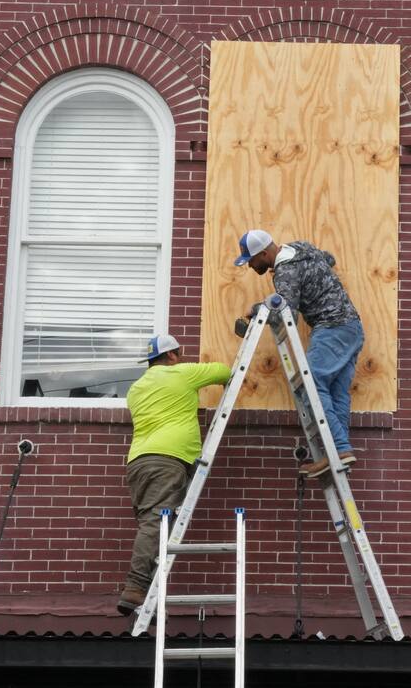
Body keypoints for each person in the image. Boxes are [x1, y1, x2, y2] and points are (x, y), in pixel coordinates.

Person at [117, 333, 231, 616]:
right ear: (171, 355)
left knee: (152, 525)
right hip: (168, 460)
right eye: (178, 353)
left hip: (138, 463)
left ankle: (148, 601)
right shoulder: (182, 373)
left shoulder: (136, 389)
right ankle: (135, 586)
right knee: (155, 525)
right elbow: (225, 372)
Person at [234, 229, 364, 478]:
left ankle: (336, 448)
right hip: (352, 328)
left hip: (332, 328)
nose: (251, 266)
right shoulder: (302, 248)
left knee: (310, 383)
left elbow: (286, 313)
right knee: (335, 393)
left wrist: (255, 310)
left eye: (252, 260)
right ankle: (341, 449)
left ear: (263, 254)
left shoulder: (285, 271)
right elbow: (328, 259)